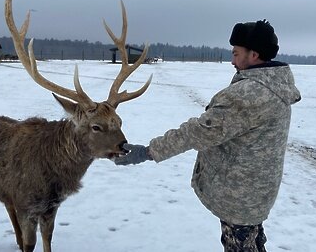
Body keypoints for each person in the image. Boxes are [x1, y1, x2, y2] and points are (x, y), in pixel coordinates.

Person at [115, 19, 301, 252]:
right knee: (252, 241)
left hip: (240, 196)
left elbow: (199, 132)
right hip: (255, 193)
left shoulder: (250, 93)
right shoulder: (275, 85)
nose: (232, 60)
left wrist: (149, 151)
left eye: (236, 53)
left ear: (254, 55)